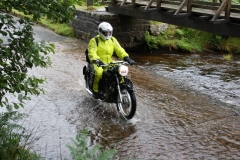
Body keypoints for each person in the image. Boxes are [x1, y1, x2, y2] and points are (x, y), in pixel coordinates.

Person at [87, 22, 134, 99]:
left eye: (109, 32)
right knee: (98, 73)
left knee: (120, 70)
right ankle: (95, 91)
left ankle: (121, 87)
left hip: (110, 62)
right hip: (98, 62)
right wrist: (97, 60)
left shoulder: (112, 39)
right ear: (101, 31)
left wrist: (126, 57)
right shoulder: (94, 40)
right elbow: (92, 52)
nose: (108, 34)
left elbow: (119, 49)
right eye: (106, 33)